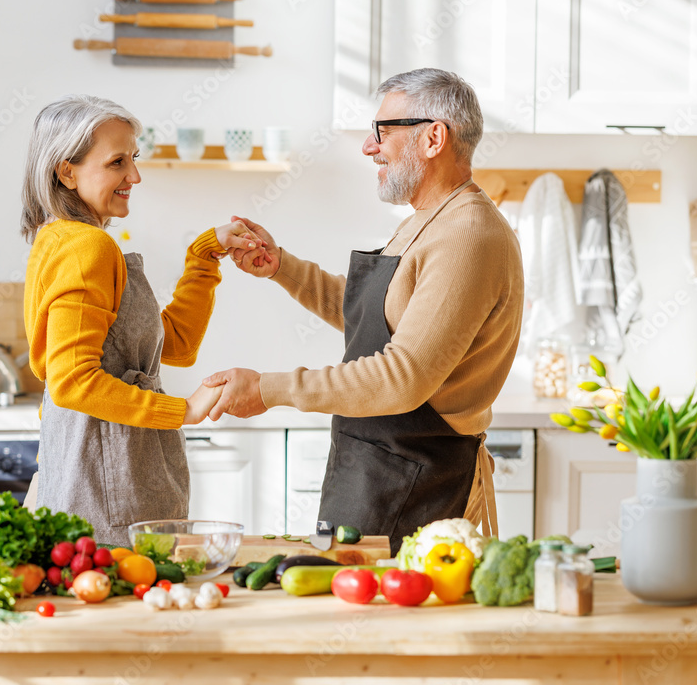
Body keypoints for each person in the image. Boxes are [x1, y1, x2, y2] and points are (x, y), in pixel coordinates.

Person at [204, 69, 524, 552]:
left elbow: (402, 374)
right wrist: (281, 267)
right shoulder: (429, 220)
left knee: (384, 623)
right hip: (378, 466)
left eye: (383, 131)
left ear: (434, 137)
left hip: (415, 481)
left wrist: (269, 389)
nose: (369, 147)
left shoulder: (469, 235)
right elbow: (378, 319)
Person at [20, 95, 262, 546]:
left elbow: (174, 345)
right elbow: (72, 381)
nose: (134, 175)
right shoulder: (87, 249)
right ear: (66, 171)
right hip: (108, 471)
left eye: (134, 158)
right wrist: (182, 410)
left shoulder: (59, 238)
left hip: (103, 461)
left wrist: (204, 257)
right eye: (116, 162)